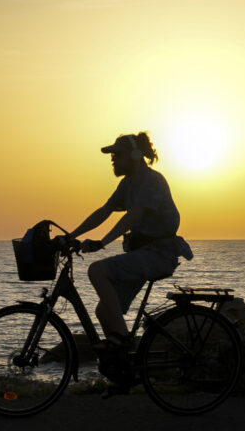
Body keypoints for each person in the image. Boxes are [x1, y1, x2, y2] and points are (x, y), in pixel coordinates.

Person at [67, 132, 193, 348]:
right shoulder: (128, 184)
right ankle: (122, 367)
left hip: (160, 253)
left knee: (96, 270)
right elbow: (104, 211)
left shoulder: (152, 181)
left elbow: (133, 215)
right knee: (103, 311)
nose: (112, 159)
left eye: (117, 154)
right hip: (141, 254)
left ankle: (125, 340)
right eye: (112, 155)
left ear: (135, 156)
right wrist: (70, 236)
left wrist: (102, 242)